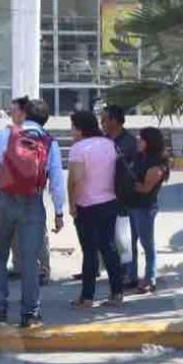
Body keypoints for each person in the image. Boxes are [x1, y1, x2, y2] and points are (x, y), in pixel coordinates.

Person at [0, 97, 65, 328]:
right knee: (29, 260)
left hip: (4, 200)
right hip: (32, 202)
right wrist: (58, 211)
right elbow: (56, 180)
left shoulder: (6, 135)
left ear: (24, 115)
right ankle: (30, 313)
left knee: (0, 255)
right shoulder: (49, 141)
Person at [67, 109, 123, 308]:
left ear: (80, 129)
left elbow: (76, 179)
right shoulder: (110, 144)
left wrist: (72, 203)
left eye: (73, 126)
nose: (71, 130)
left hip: (87, 205)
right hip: (109, 201)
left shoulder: (79, 148)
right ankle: (117, 293)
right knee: (109, 248)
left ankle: (87, 297)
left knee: (89, 251)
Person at [3, 97, 52, 285]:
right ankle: (19, 266)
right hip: (12, 191)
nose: (11, 114)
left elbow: (52, 169)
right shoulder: (9, 134)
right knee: (15, 231)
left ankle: (42, 269)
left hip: (33, 192)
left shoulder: (41, 136)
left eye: (14, 110)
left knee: (38, 232)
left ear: (23, 113)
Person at [128, 127, 171, 293]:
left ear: (150, 142)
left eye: (142, 139)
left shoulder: (157, 164)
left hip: (145, 207)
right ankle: (131, 275)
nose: (139, 142)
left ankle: (149, 277)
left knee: (147, 243)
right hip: (131, 204)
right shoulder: (139, 156)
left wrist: (130, 185)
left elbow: (145, 188)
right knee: (129, 242)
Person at [100, 104, 138, 288]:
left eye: (105, 119)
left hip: (124, 197)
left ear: (114, 121)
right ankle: (112, 270)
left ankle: (129, 274)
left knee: (125, 237)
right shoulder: (102, 140)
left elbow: (133, 170)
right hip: (104, 195)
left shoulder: (129, 142)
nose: (102, 123)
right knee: (108, 236)